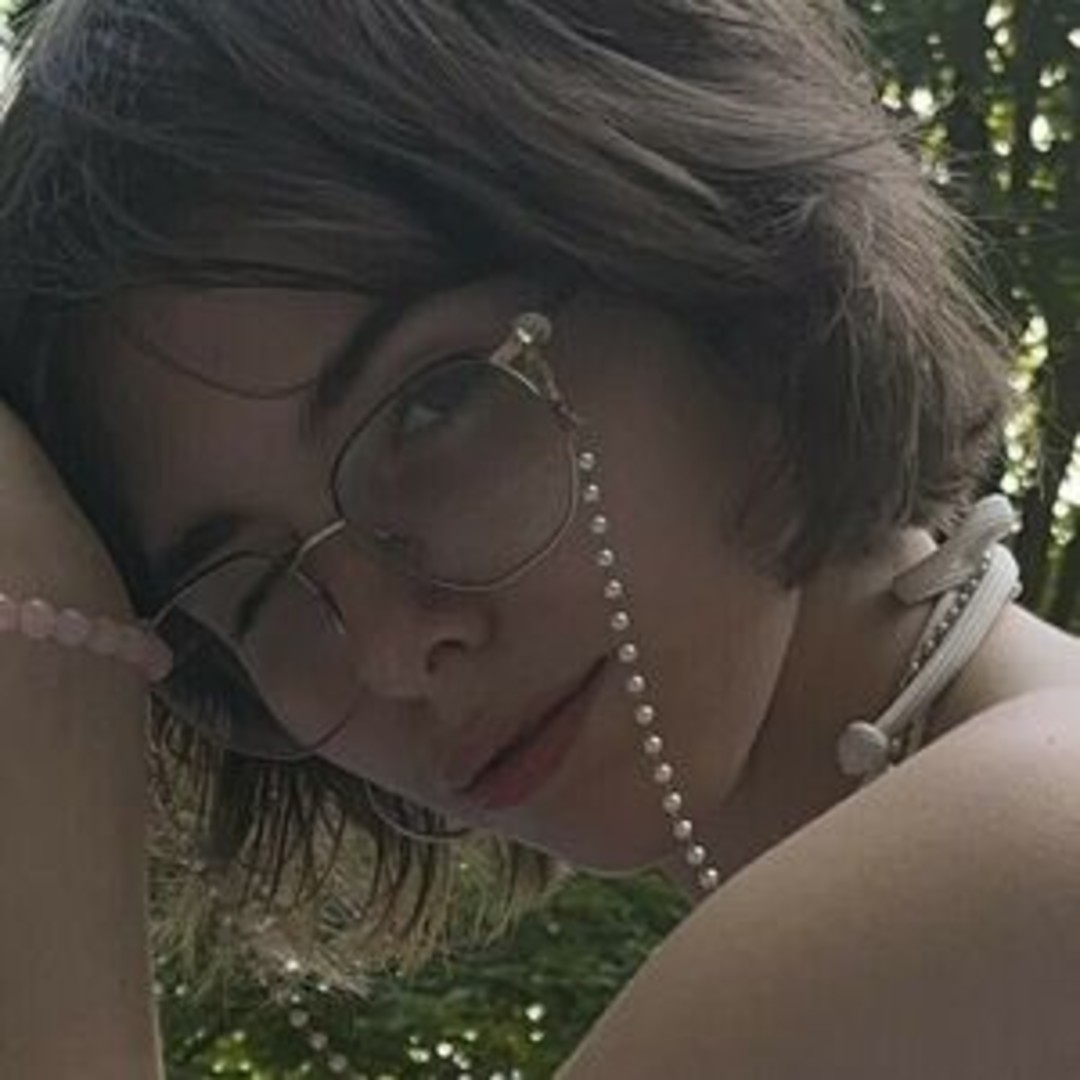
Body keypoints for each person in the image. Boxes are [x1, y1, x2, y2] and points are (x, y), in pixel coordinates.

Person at [0, 0, 1078, 1076]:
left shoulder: (1018, 859)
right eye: (252, 595)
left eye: (432, 406)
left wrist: (51, 690)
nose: (388, 653)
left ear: (694, 223)